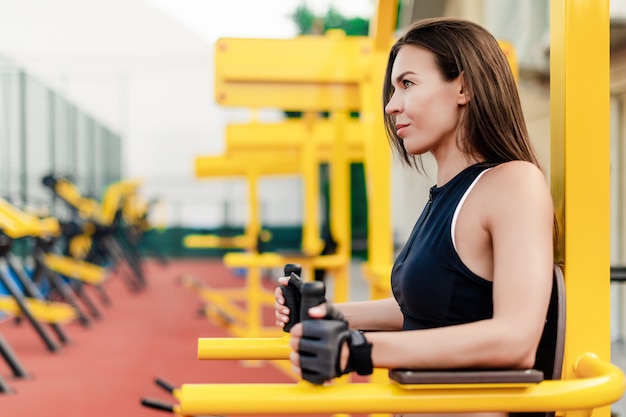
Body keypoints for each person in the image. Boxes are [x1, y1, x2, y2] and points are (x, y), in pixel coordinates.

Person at [274, 17, 555, 417]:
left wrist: (359, 349)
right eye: (392, 90)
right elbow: (425, 308)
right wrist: (326, 314)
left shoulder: (513, 183)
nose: (391, 105)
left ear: (464, 86)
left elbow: (516, 339)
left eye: (407, 84)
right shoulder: (447, 194)